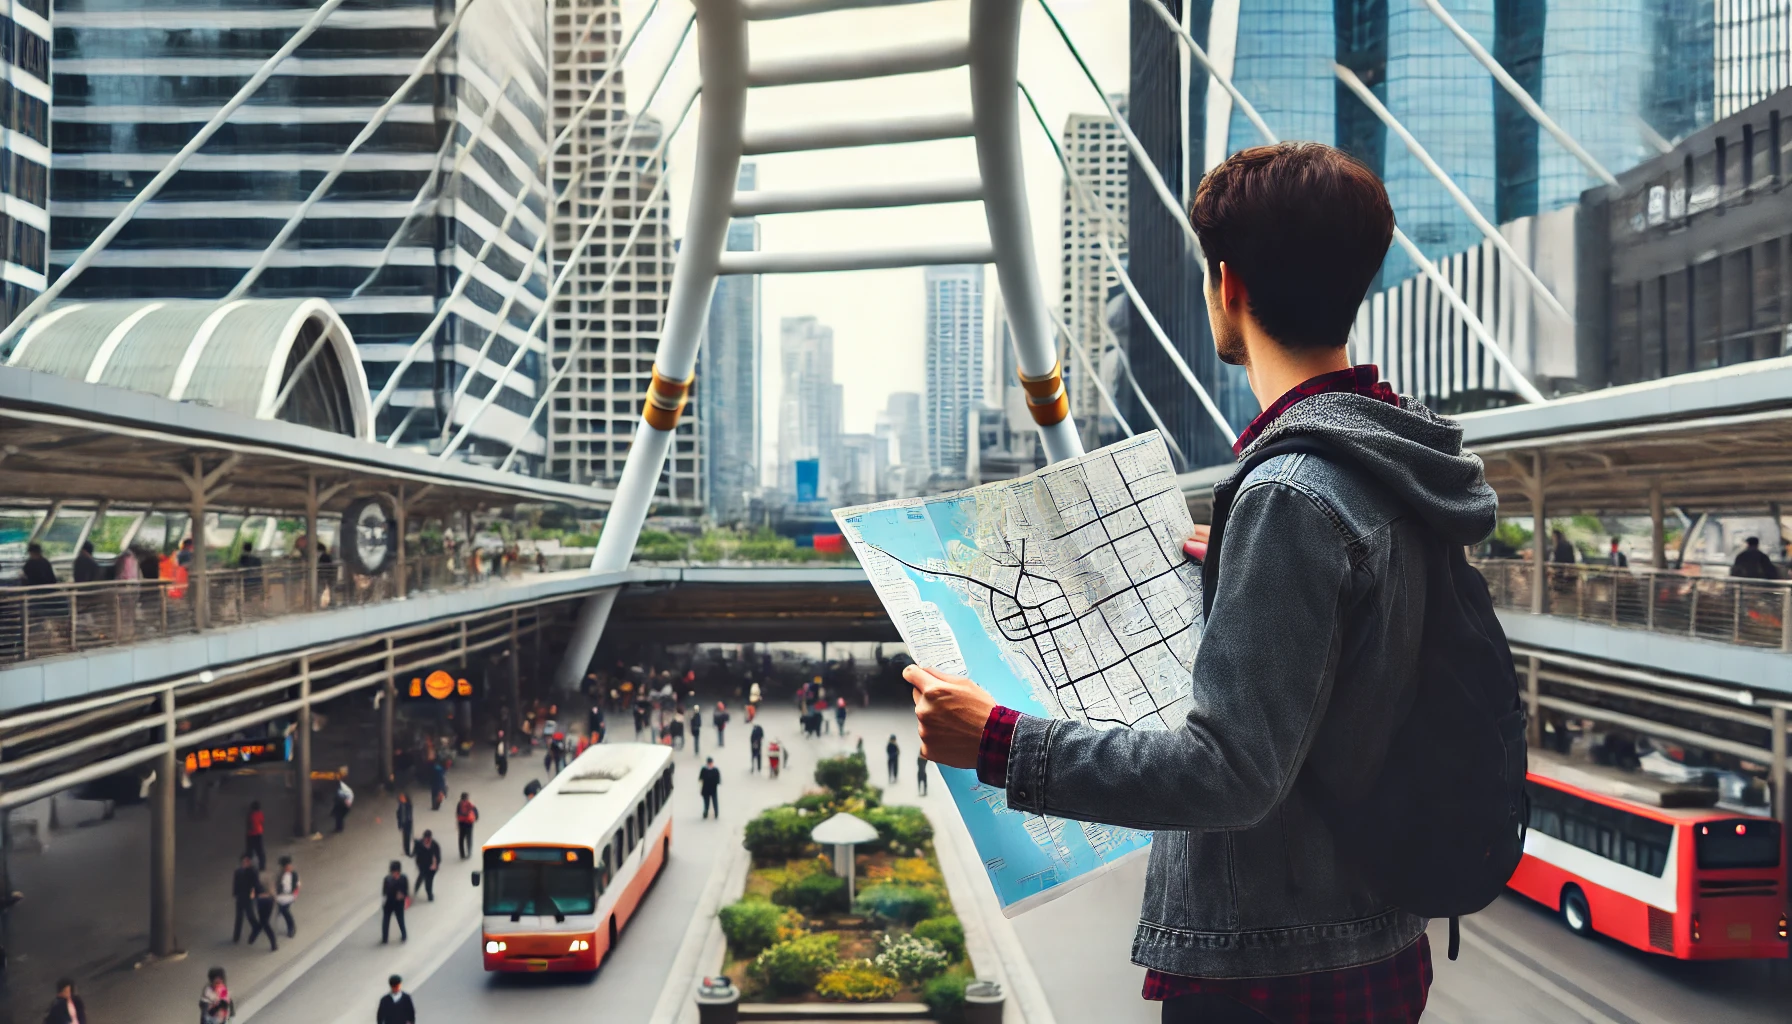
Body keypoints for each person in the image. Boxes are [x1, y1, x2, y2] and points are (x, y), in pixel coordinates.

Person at [906, 144, 1500, 1023]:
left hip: (1278, 969)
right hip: (1372, 938)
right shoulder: (1390, 462)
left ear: (1228, 285)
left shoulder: (1290, 494)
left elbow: (1230, 775)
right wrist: (1244, 574)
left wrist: (997, 740)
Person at [245, 872, 278, 951]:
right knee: (264, 922)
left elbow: (252, 896)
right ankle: (254, 936)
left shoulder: (255, 884)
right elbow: (272, 891)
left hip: (262, 902)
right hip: (269, 902)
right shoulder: (266, 880)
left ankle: (255, 936)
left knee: (264, 923)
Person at [380, 861, 410, 944]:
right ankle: (384, 938)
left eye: (396, 873)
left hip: (399, 903)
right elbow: (384, 892)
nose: (394, 874)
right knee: (386, 921)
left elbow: (406, 891)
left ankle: (404, 935)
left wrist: (402, 895)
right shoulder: (387, 880)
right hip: (389, 903)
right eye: (393, 873)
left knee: (401, 920)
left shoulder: (403, 878)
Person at [231, 854, 258, 942]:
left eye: (247, 861)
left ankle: (256, 927)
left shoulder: (252, 871)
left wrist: (254, 893)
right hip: (240, 896)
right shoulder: (238, 871)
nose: (245, 863)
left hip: (248, 896)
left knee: (250, 915)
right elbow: (235, 883)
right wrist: (235, 893)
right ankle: (236, 936)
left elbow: (255, 883)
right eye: (244, 862)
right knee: (239, 917)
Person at [274, 855, 300, 938]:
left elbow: (297, 885)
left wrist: (295, 895)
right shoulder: (280, 875)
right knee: (283, 911)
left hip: (290, 896)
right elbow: (276, 885)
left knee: (284, 911)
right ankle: (287, 925)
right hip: (281, 896)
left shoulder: (294, 874)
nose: (288, 868)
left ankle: (291, 927)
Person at [412, 830, 441, 902]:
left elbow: (438, 857)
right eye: (426, 839)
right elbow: (414, 853)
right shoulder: (419, 844)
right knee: (422, 876)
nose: (428, 840)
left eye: (429, 839)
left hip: (432, 867)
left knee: (429, 881)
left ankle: (429, 894)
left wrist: (435, 865)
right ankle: (416, 888)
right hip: (422, 865)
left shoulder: (435, 845)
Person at [454, 793, 478, 859]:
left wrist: (458, 823)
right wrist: (475, 818)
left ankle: (462, 854)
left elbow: (457, 813)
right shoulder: (470, 803)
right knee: (469, 838)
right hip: (469, 823)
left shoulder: (459, 804)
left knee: (461, 839)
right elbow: (475, 811)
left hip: (462, 823)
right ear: (467, 798)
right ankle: (469, 852)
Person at [244, 800, 266, 870]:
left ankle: (248, 865)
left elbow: (249, 825)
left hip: (251, 834)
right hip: (259, 833)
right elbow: (262, 821)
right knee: (260, 851)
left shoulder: (251, 815)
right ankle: (262, 865)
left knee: (249, 851)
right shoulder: (260, 813)